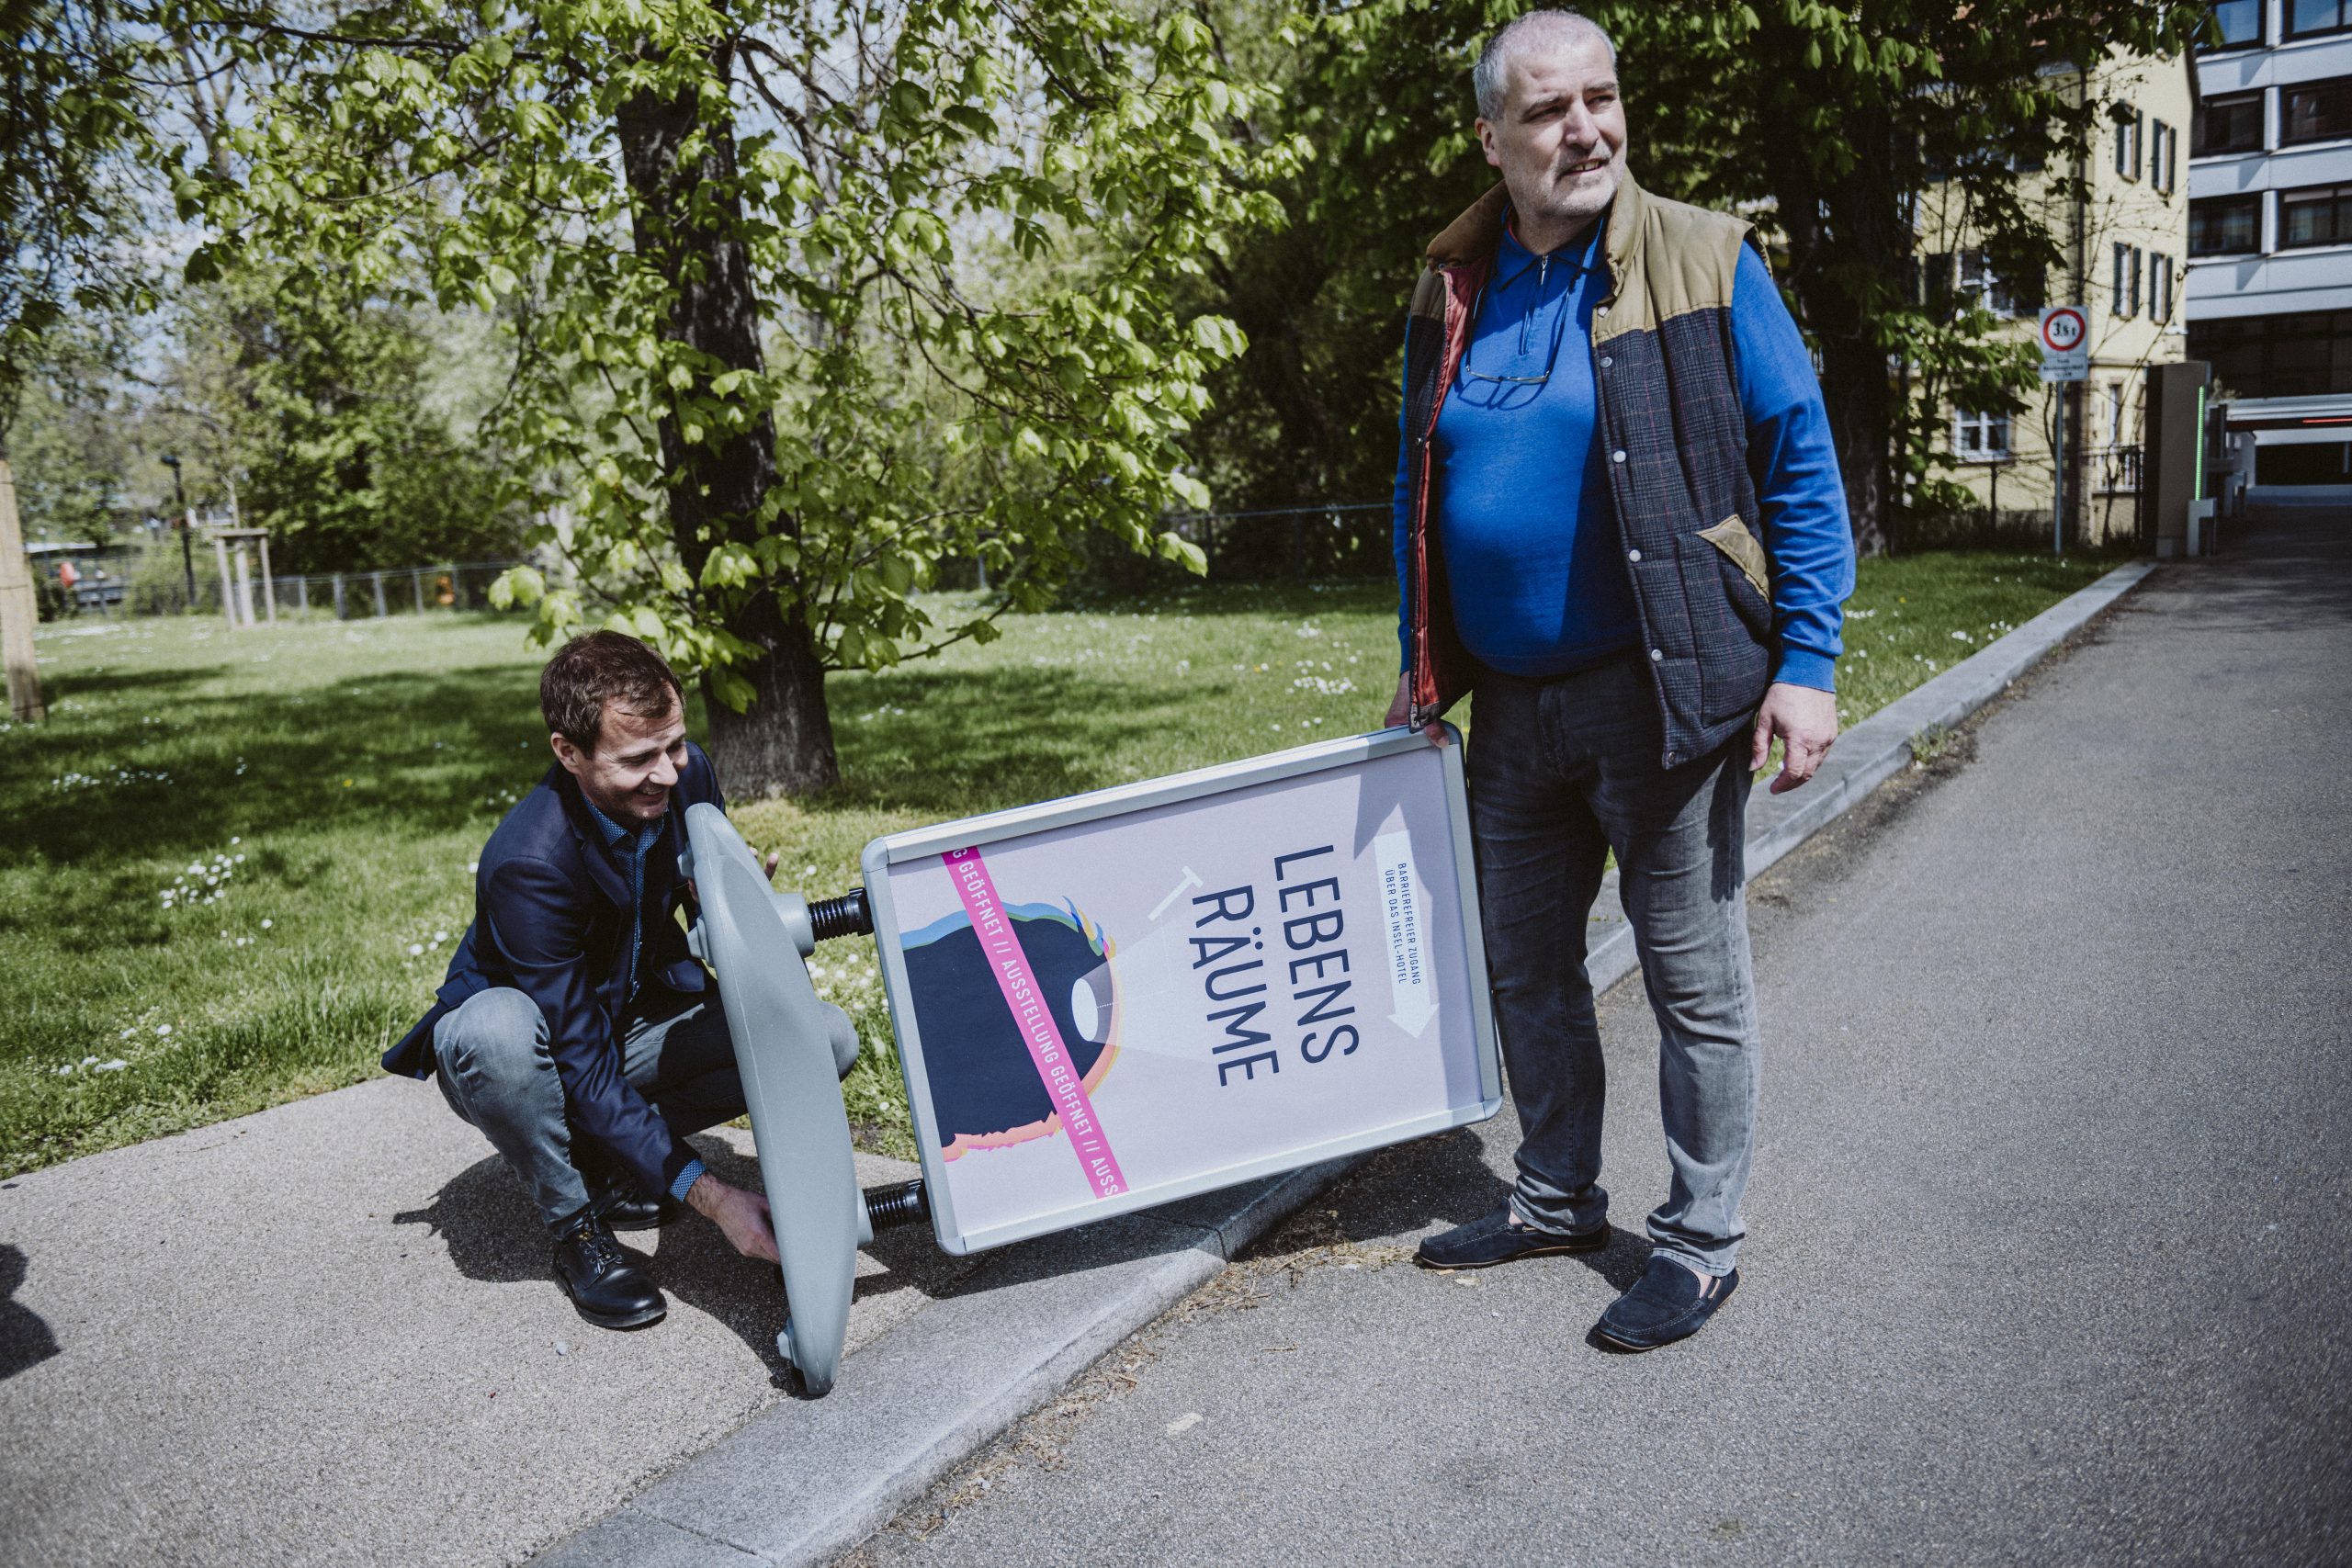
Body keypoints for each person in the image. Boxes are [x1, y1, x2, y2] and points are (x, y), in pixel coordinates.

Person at [1394, 10, 1855, 1351]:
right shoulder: (1452, 286)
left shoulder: (1706, 258)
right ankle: (1554, 1196)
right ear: (1492, 137)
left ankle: (1701, 1242)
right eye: (1549, 109)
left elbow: (1800, 458)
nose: (1586, 128)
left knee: (1691, 985)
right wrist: (1419, 663)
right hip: (1509, 709)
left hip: (1663, 689)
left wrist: (1808, 663)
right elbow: (1420, 484)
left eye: (1601, 98)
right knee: (1526, 971)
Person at [385, 631, 781, 1329]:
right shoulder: (528, 861)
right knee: (495, 1034)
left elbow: (709, 915)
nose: (667, 773)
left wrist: (736, 910)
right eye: (637, 759)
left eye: (674, 745)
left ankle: (610, 1155)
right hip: (530, 1046)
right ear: (568, 752)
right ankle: (577, 1227)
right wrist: (712, 1196)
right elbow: (583, 1063)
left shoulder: (687, 775)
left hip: (629, 1016)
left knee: (821, 1040)